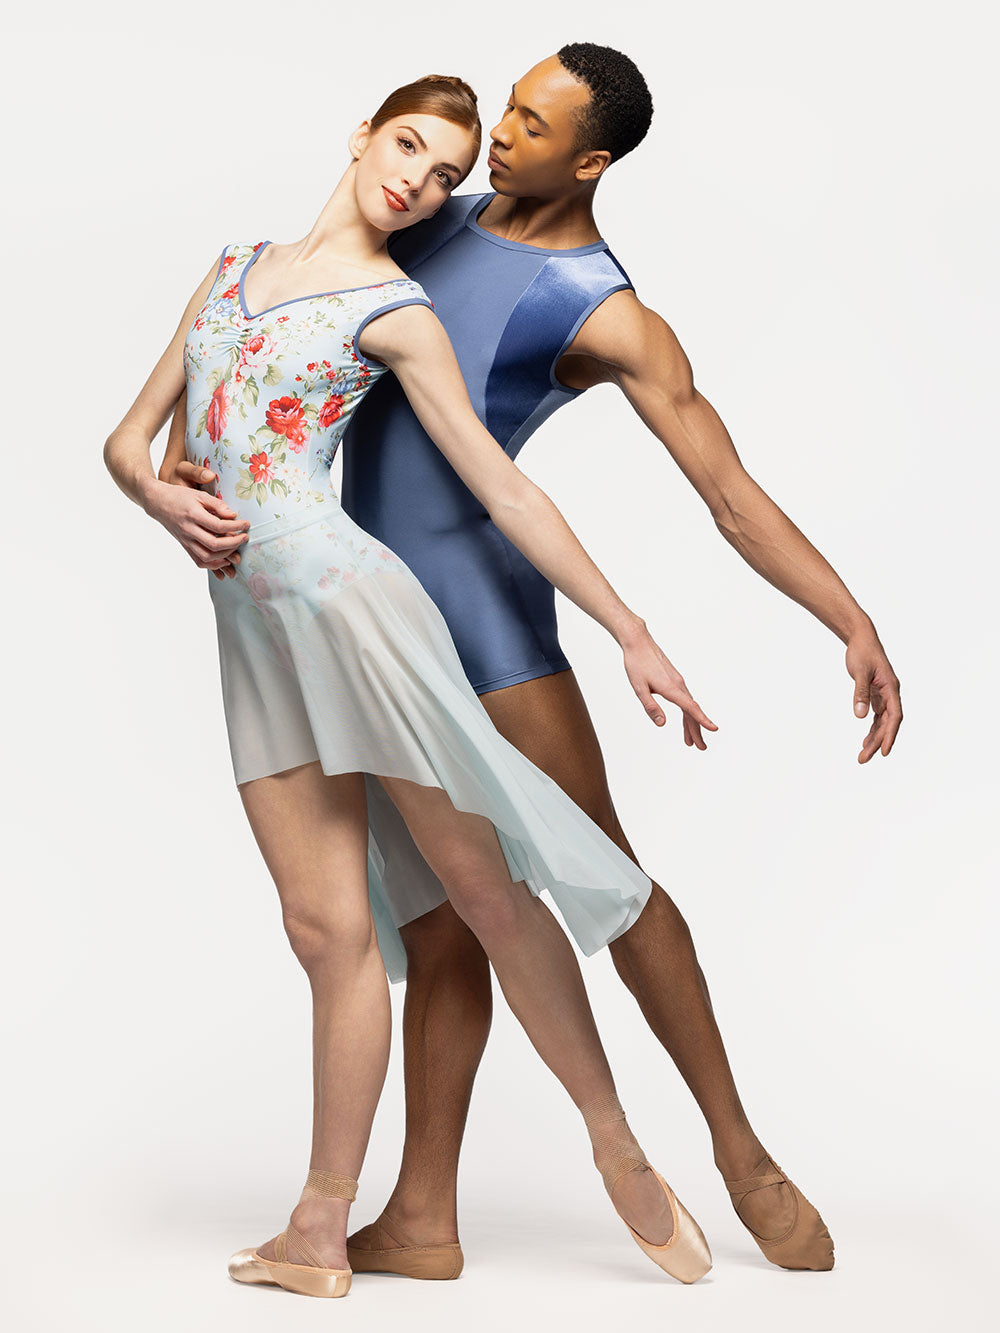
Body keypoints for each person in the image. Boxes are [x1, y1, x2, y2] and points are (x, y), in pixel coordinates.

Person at [162, 44, 903, 1276]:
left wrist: (849, 619)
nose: (499, 136)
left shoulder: (601, 308)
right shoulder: (420, 211)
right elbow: (276, 351)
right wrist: (184, 463)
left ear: (591, 160)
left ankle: (741, 1153)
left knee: (599, 873)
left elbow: (727, 492)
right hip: (344, 606)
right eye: (505, 109)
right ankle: (422, 1215)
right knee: (440, 915)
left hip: (485, 618)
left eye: (532, 125)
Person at [104, 74, 718, 1298]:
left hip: (351, 610)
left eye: (443, 176)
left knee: (481, 889)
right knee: (322, 930)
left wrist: (629, 628)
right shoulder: (230, 270)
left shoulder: (393, 308)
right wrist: (161, 496)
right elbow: (132, 441)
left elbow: (505, 488)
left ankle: (615, 1142)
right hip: (254, 635)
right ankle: (319, 1228)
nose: (419, 183)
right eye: (407, 149)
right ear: (361, 136)